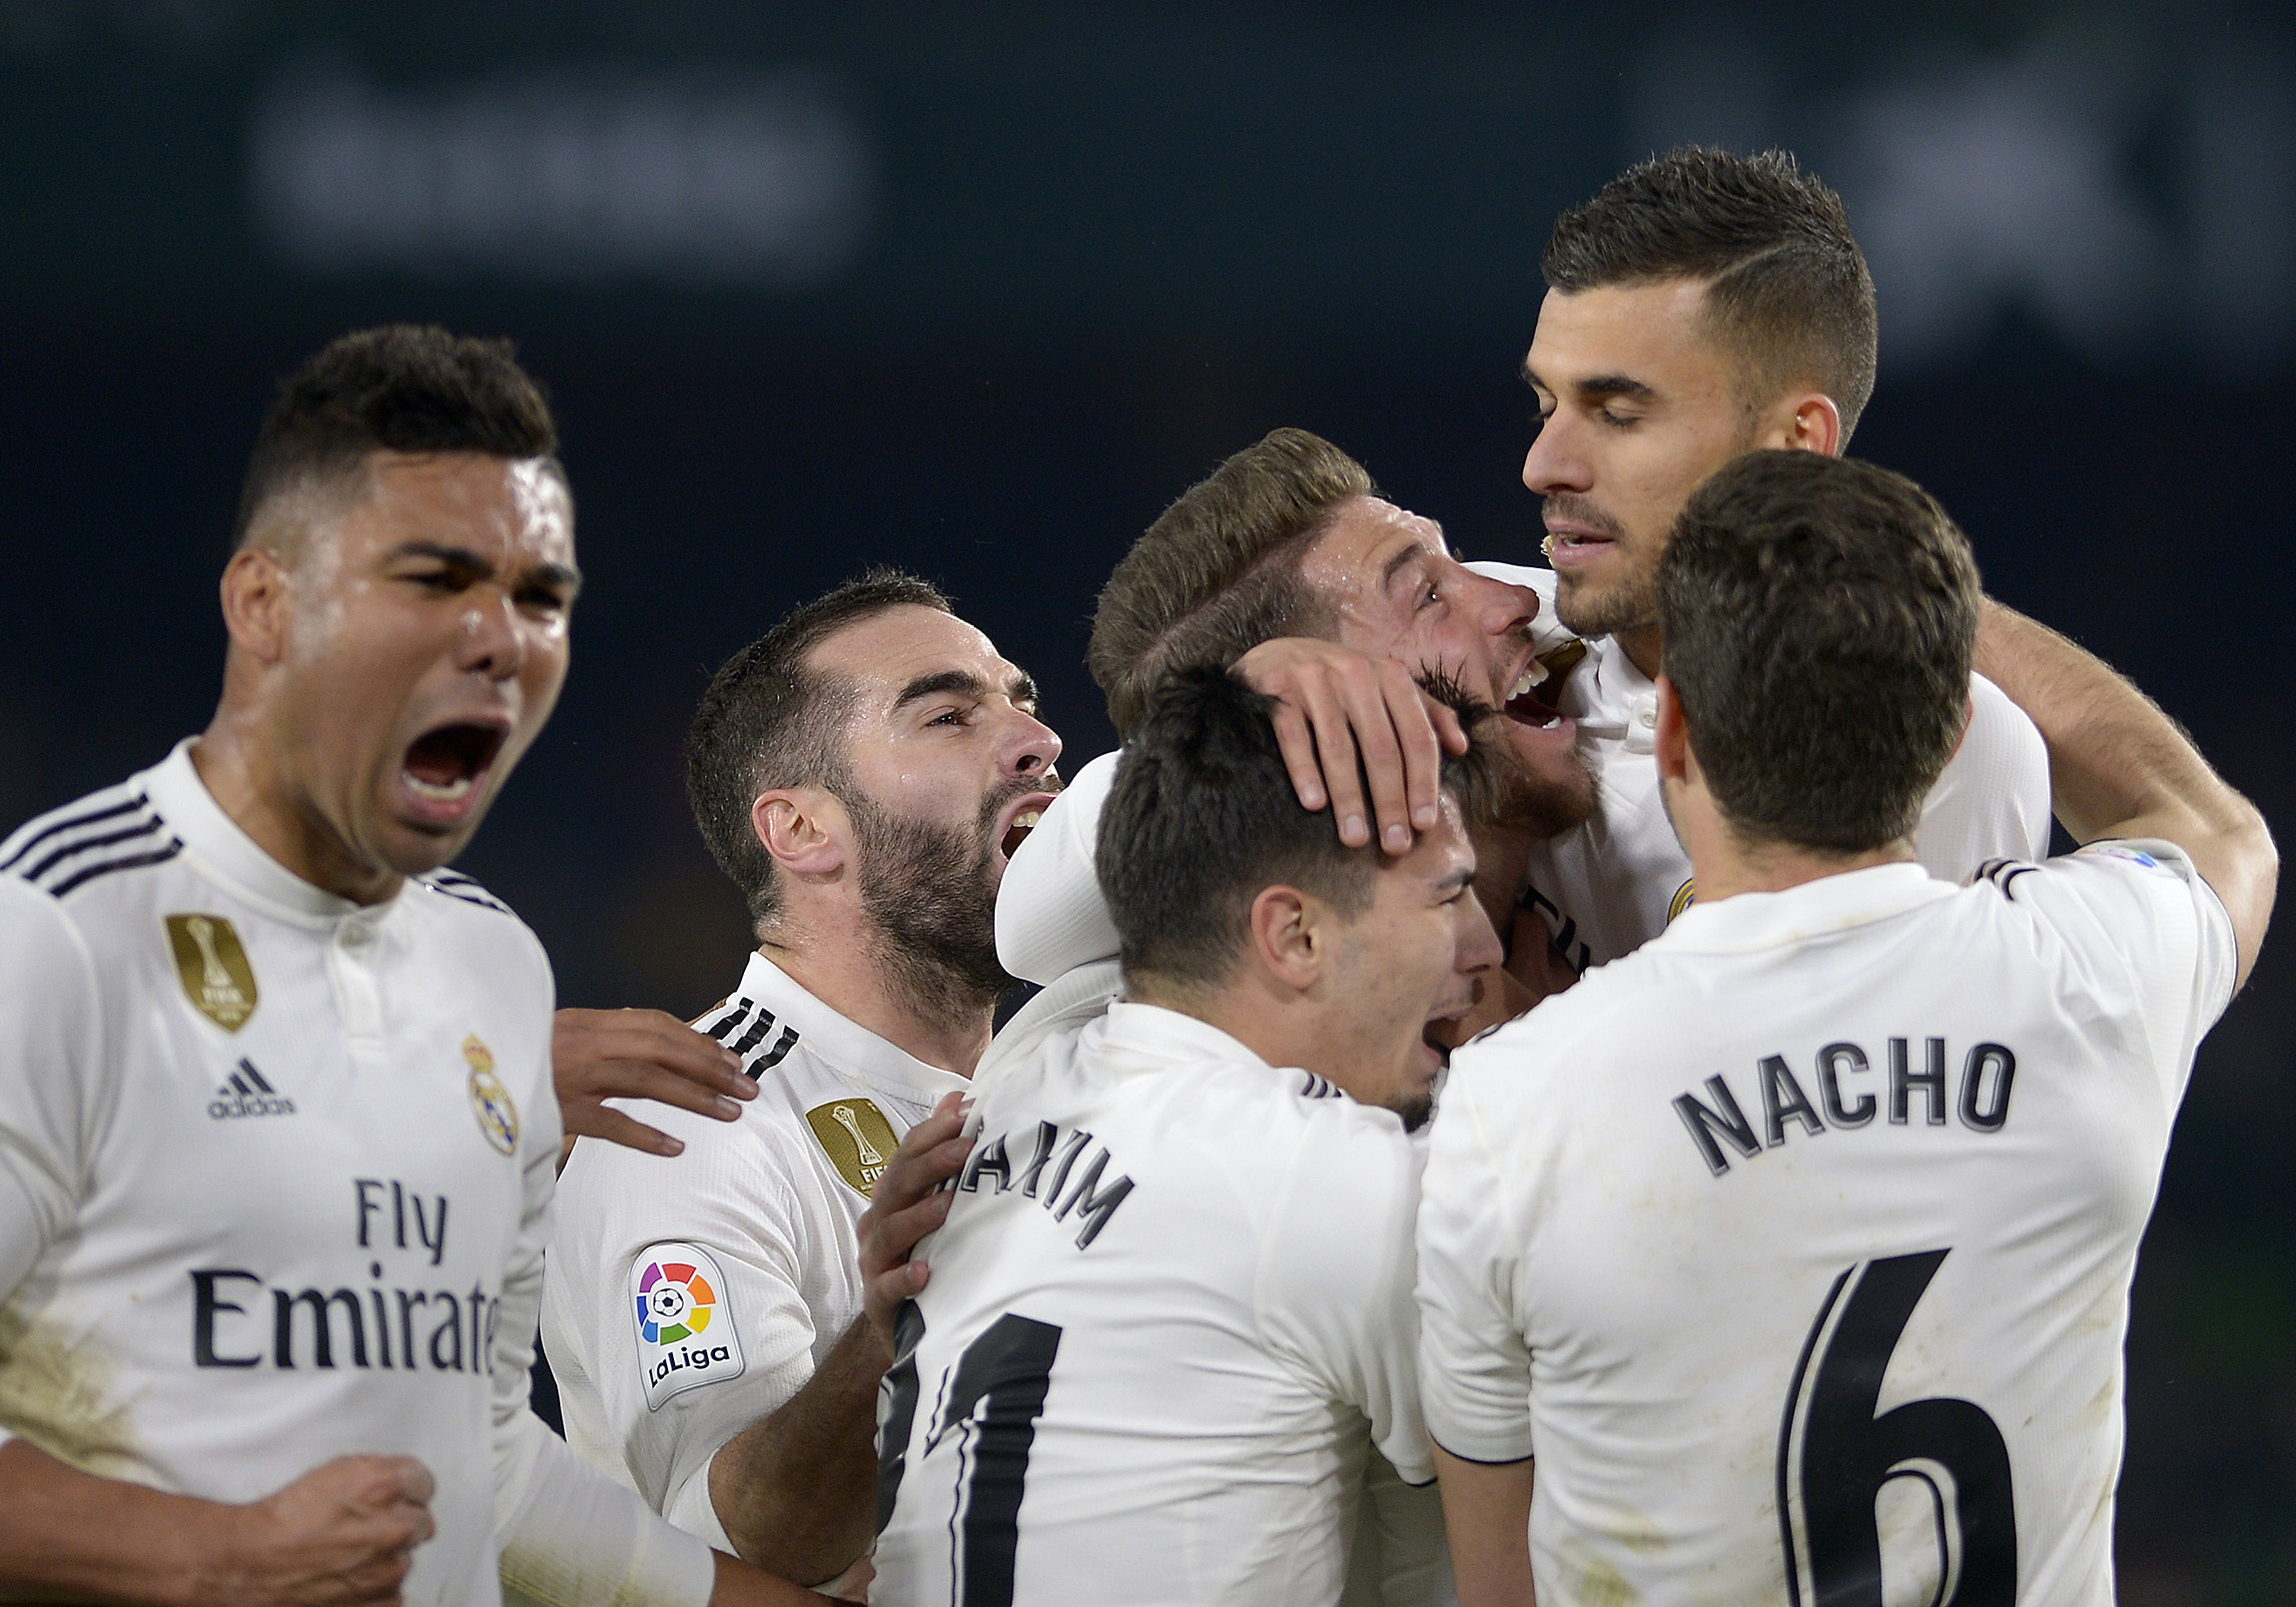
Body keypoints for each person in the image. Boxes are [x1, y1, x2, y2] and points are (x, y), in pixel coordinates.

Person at [0, 327, 822, 1606]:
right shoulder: (61, 931)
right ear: (264, 603)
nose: (501, 638)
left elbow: (483, 1469)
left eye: (540, 596)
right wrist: (222, 1556)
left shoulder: (489, 962)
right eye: (433, 578)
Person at [1414, 450, 2275, 1606]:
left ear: (1670, 731)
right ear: (1953, 724)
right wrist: (1918, 605)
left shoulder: (1511, 1100)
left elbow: (1499, 1585)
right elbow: (2215, 829)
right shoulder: (2093, 976)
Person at [873, 666, 1503, 1606]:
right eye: (1447, 896)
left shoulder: (1010, 1084)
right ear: (1290, 936)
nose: (1483, 944)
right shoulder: (1336, 1180)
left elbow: (1058, 908)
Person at [540, 571, 1063, 1591]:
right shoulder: (690, 1121)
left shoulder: (1076, 1081)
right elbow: (737, 1551)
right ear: (803, 832)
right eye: (950, 714)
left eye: (1023, 701)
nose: (1034, 739)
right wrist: (898, 1325)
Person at [1510, 145, 2052, 967]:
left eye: (1615, 413)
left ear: (1795, 444)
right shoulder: (1456, 650)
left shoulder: (1956, 747)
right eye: (1545, 405)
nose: (1542, 465)